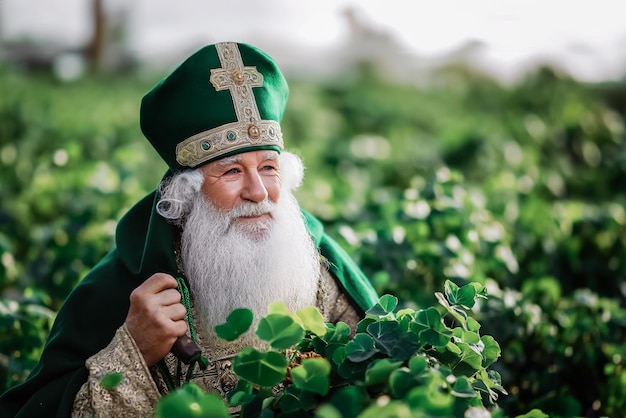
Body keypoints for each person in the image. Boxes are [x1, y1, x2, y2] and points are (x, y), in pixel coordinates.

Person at [0, 41, 379, 417]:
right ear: (187, 193)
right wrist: (133, 350)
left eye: (268, 167)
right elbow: (46, 409)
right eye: (232, 171)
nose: (258, 192)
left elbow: (383, 374)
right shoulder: (120, 287)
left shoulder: (317, 264)